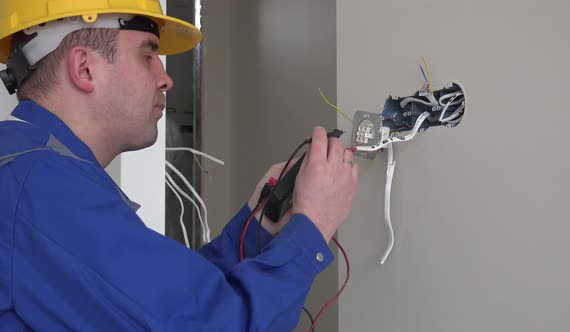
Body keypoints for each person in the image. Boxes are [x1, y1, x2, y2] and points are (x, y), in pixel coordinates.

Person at [0, 1, 359, 331]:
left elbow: (170, 303)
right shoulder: (43, 188)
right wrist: (313, 225)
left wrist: (259, 223)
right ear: (84, 67)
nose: (166, 78)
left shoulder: (27, 172)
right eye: (148, 55)